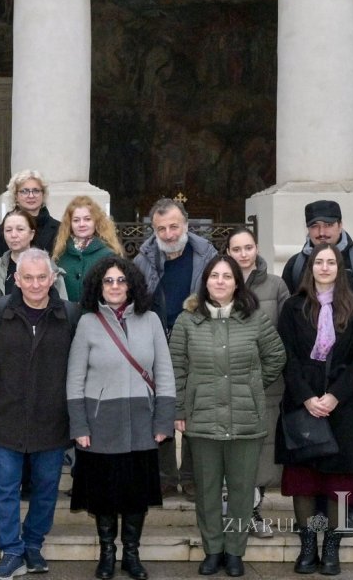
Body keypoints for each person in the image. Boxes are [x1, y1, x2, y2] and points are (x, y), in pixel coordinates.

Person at [280, 199, 353, 528]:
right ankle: (317, 507)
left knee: (350, 444)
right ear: (308, 230)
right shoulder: (294, 266)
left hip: (350, 380)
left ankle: (351, 505)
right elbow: (289, 324)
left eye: (328, 225)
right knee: (312, 441)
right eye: (315, 226)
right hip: (310, 380)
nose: (322, 232)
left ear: (340, 226)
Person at [169, 255, 285, 578]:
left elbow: (276, 357)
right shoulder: (187, 321)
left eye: (227, 277)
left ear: (237, 283)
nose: (220, 281)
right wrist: (179, 408)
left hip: (245, 421)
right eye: (214, 276)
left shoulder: (254, 319)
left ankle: (235, 551)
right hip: (202, 421)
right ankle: (213, 549)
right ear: (205, 282)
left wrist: (251, 386)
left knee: (241, 490)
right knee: (206, 491)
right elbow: (176, 368)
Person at [67, 256, 175, 580]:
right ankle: (107, 553)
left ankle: (131, 553)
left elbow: (165, 373)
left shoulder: (151, 320)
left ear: (132, 285)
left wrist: (163, 421)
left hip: (142, 422)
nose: (115, 286)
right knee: (103, 496)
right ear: (99, 287)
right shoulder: (88, 322)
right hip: (100, 425)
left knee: (135, 495)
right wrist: (79, 425)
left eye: (121, 281)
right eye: (108, 281)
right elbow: (74, 379)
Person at [0, 249, 79, 580]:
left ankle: (34, 545)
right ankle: (11, 550)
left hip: (52, 418)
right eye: (28, 277)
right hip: (6, 415)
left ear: (53, 279)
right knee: (5, 488)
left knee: (46, 488)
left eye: (42, 277)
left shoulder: (70, 315)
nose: (35, 284)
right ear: (17, 279)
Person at [276, 243, 353, 577]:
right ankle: (307, 548)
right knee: (304, 480)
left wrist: (335, 396)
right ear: (310, 267)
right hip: (303, 404)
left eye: (331, 262)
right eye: (319, 261)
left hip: (344, 408)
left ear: (339, 267)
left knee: (339, 482)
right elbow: (285, 356)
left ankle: (332, 548)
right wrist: (306, 397)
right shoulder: (293, 307)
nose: (325, 267)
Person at [132, 197, 216, 496]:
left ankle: (191, 476)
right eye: (161, 228)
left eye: (174, 226)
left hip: (198, 340)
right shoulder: (143, 259)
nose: (168, 234)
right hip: (157, 342)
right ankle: (165, 476)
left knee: (195, 406)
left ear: (186, 224)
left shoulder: (207, 255)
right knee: (161, 406)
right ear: (153, 230)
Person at [226, 227, 292, 537]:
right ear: (228, 252)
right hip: (228, 382)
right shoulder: (220, 282)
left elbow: (285, 334)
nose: (242, 254)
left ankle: (253, 511)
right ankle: (230, 509)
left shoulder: (277, 286)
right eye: (236, 248)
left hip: (267, 382)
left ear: (257, 248)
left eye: (248, 247)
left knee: (261, 450)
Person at [0, 209, 68, 303]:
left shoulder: (51, 270)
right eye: (8, 230)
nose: (13, 235)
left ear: (32, 234)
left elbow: (63, 311)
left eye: (20, 229)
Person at [52, 195, 122, 302]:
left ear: (96, 222)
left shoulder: (108, 256)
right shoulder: (61, 256)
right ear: (70, 224)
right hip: (66, 317)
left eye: (87, 219)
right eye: (76, 220)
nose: (82, 224)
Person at [0, 170, 60, 261]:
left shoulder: (59, 229)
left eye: (36, 191)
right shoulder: (2, 231)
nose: (31, 196)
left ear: (43, 194)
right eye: (24, 191)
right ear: (16, 196)